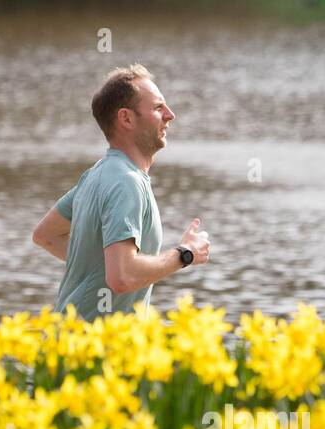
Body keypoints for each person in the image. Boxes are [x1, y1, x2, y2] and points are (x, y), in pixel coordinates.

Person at [32, 63, 210, 320]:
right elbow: (123, 278)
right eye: (158, 108)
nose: (171, 115)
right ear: (126, 118)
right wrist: (184, 254)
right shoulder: (126, 181)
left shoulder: (98, 174)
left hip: (69, 341)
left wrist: (107, 263)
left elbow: (45, 236)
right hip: (93, 351)